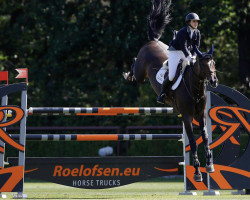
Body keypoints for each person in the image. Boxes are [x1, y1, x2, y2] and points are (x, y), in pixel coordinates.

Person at [157, 13, 201, 104]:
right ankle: (162, 93)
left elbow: (196, 46)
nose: (196, 23)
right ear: (189, 22)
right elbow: (183, 46)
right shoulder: (183, 31)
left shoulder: (197, 32)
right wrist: (189, 56)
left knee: (194, 69)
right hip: (175, 52)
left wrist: (193, 56)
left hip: (186, 52)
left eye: (197, 21)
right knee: (172, 75)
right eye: (194, 21)